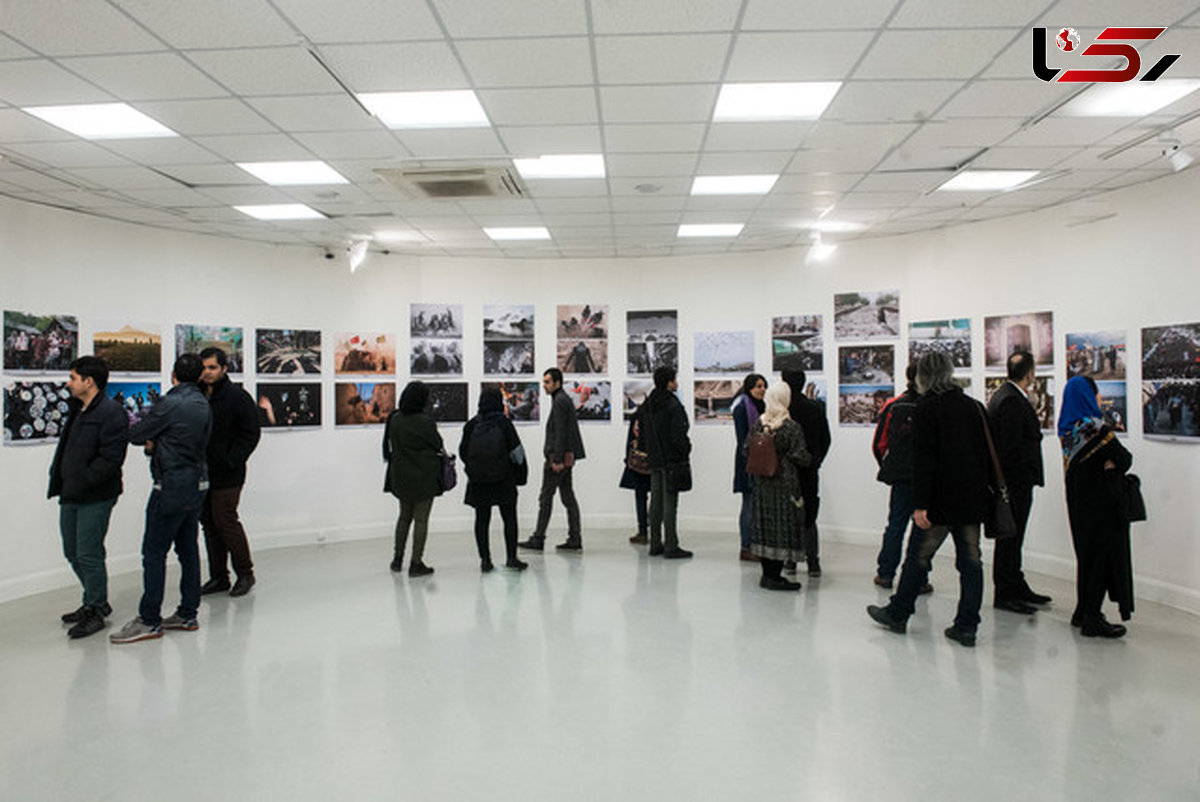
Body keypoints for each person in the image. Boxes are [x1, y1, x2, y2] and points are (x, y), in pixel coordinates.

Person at [867, 351, 993, 647]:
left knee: (917, 557)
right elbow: (987, 455)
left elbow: (923, 461)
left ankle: (898, 613)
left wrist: (921, 504)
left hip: (939, 500)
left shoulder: (926, 409)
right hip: (971, 500)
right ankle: (967, 626)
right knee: (972, 563)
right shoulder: (974, 407)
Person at [110, 355, 212, 643]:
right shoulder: (202, 404)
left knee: (154, 552)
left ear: (173, 375)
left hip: (171, 486)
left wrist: (153, 441)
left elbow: (137, 433)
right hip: (197, 483)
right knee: (188, 549)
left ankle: (150, 619)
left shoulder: (170, 403)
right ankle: (187, 613)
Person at [47, 356, 129, 639]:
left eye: (72, 378)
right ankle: (93, 599)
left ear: (88, 381)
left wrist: (83, 480)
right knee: (72, 551)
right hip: (70, 492)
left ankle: (96, 608)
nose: (68, 383)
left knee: (88, 552)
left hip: (95, 495)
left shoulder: (111, 413)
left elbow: (111, 459)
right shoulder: (78, 410)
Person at [1059, 376, 1135, 638]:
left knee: (1086, 558)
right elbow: (1124, 459)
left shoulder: (1066, 429)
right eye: (1096, 393)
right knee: (1100, 560)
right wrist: (1112, 463)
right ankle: (1092, 618)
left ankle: (1082, 611)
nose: (1100, 398)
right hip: (1101, 505)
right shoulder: (1095, 427)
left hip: (1078, 503)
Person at [988, 350, 1051, 615]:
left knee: (1013, 537)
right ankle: (1005, 592)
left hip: (1013, 482)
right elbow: (1011, 448)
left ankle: (1016, 583)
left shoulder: (1005, 395)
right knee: (1010, 538)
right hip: (1014, 484)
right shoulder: (1011, 400)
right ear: (1030, 373)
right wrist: (1020, 480)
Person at [197, 346, 261, 597]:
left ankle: (245, 573)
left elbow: (251, 433)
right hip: (202, 471)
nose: (207, 372)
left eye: (212, 367)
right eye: (204, 367)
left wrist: (233, 458)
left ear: (224, 369)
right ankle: (218, 577)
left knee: (225, 520)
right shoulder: (198, 395)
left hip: (229, 472)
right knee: (209, 523)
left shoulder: (237, 397)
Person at [871, 364, 930, 596]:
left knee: (895, 525)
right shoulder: (931, 405)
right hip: (926, 477)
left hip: (901, 477)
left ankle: (886, 574)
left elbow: (879, 444)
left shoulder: (894, 405)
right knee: (923, 528)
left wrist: (888, 466)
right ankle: (920, 578)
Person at [747, 382, 811, 590]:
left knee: (765, 529)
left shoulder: (760, 423)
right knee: (782, 529)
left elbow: (746, 450)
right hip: (785, 483)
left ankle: (767, 575)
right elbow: (801, 456)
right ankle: (775, 577)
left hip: (763, 482)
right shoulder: (791, 427)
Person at [460, 387, 528, 573]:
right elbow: (517, 454)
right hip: (503, 479)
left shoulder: (472, 424)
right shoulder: (504, 423)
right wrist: (517, 474)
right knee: (509, 519)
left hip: (479, 481)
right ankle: (512, 558)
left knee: (482, 520)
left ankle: (485, 561)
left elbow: (463, 452)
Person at [519, 368, 585, 552]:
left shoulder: (560, 402)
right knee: (567, 497)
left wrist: (556, 459)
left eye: (548, 382)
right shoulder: (562, 399)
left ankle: (538, 538)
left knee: (546, 498)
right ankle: (575, 538)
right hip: (565, 457)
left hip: (558, 459)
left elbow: (561, 433)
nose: (544, 385)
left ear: (557, 383)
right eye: (544, 382)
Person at [384, 381, 443, 576]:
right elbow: (437, 444)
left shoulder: (395, 419)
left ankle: (397, 558)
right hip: (423, 477)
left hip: (401, 476)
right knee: (421, 520)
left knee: (404, 517)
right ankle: (416, 562)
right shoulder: (424, 422)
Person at [639, 366, 693, 559]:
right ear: (669, 382)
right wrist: (686, 449)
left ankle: (655, 543)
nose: (676, 382)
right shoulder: (672, 404)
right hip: (671, 460)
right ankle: (671, 545)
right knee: (670, 503)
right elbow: (679, 434)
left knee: (655, 502)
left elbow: (642, 433)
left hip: (655, 459)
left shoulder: (649, 403)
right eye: (675, 379)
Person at [782, 369, 832, 576]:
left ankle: (791, 561)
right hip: (809, 468)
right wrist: (816, 461)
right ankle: (813, 562)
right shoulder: (815, 408)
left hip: (786, 470)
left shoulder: (782, 409)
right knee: (809, 514)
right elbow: (826, 439)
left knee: (789, 515)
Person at [731, 373, 766, 561]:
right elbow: (743, 439)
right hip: (747, 461)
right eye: (758, 386)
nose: (762, 390)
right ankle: (746, 547)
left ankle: (755, 544)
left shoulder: (762, 407)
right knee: (749, 504)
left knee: (755, 505)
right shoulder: (742, 408)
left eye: (763, 386)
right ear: (749, 388)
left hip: (761, 461)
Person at [620, 415, 652, 546]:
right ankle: (654, 531)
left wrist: (627, 459)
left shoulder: (637, 416)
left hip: (638, 462)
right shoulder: (657, 414)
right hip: (656, 461)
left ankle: (643, 531)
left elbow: (630, 440)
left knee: (641, 497)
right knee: (658, 497)